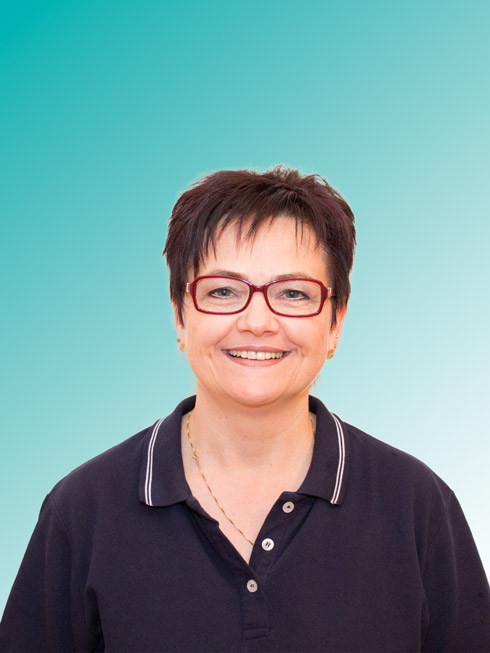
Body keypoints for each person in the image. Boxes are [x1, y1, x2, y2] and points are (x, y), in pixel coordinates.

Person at [1, 166, 489, 652]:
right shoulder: (83, 510)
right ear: (179, 315)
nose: (258, 322)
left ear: (336, 322)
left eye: (293, 293)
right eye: (223, 291)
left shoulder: (416, 506)